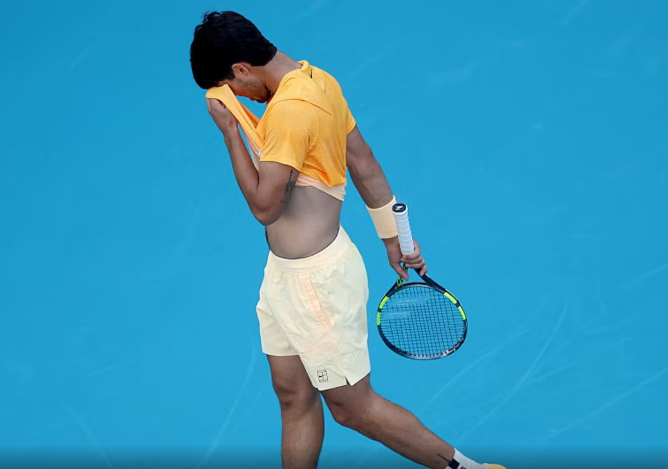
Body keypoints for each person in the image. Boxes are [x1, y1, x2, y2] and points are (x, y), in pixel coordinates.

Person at [189, 11, 506, 469]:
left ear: (241, 68)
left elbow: (265, 207)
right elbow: (364, 163)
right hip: (283, 276)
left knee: (353, 409)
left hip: (317, 286)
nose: (237, 98)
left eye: (230, 87)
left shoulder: (291, 112)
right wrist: (393, 236)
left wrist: (229, 133)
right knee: (293, 396)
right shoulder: (319, 80)